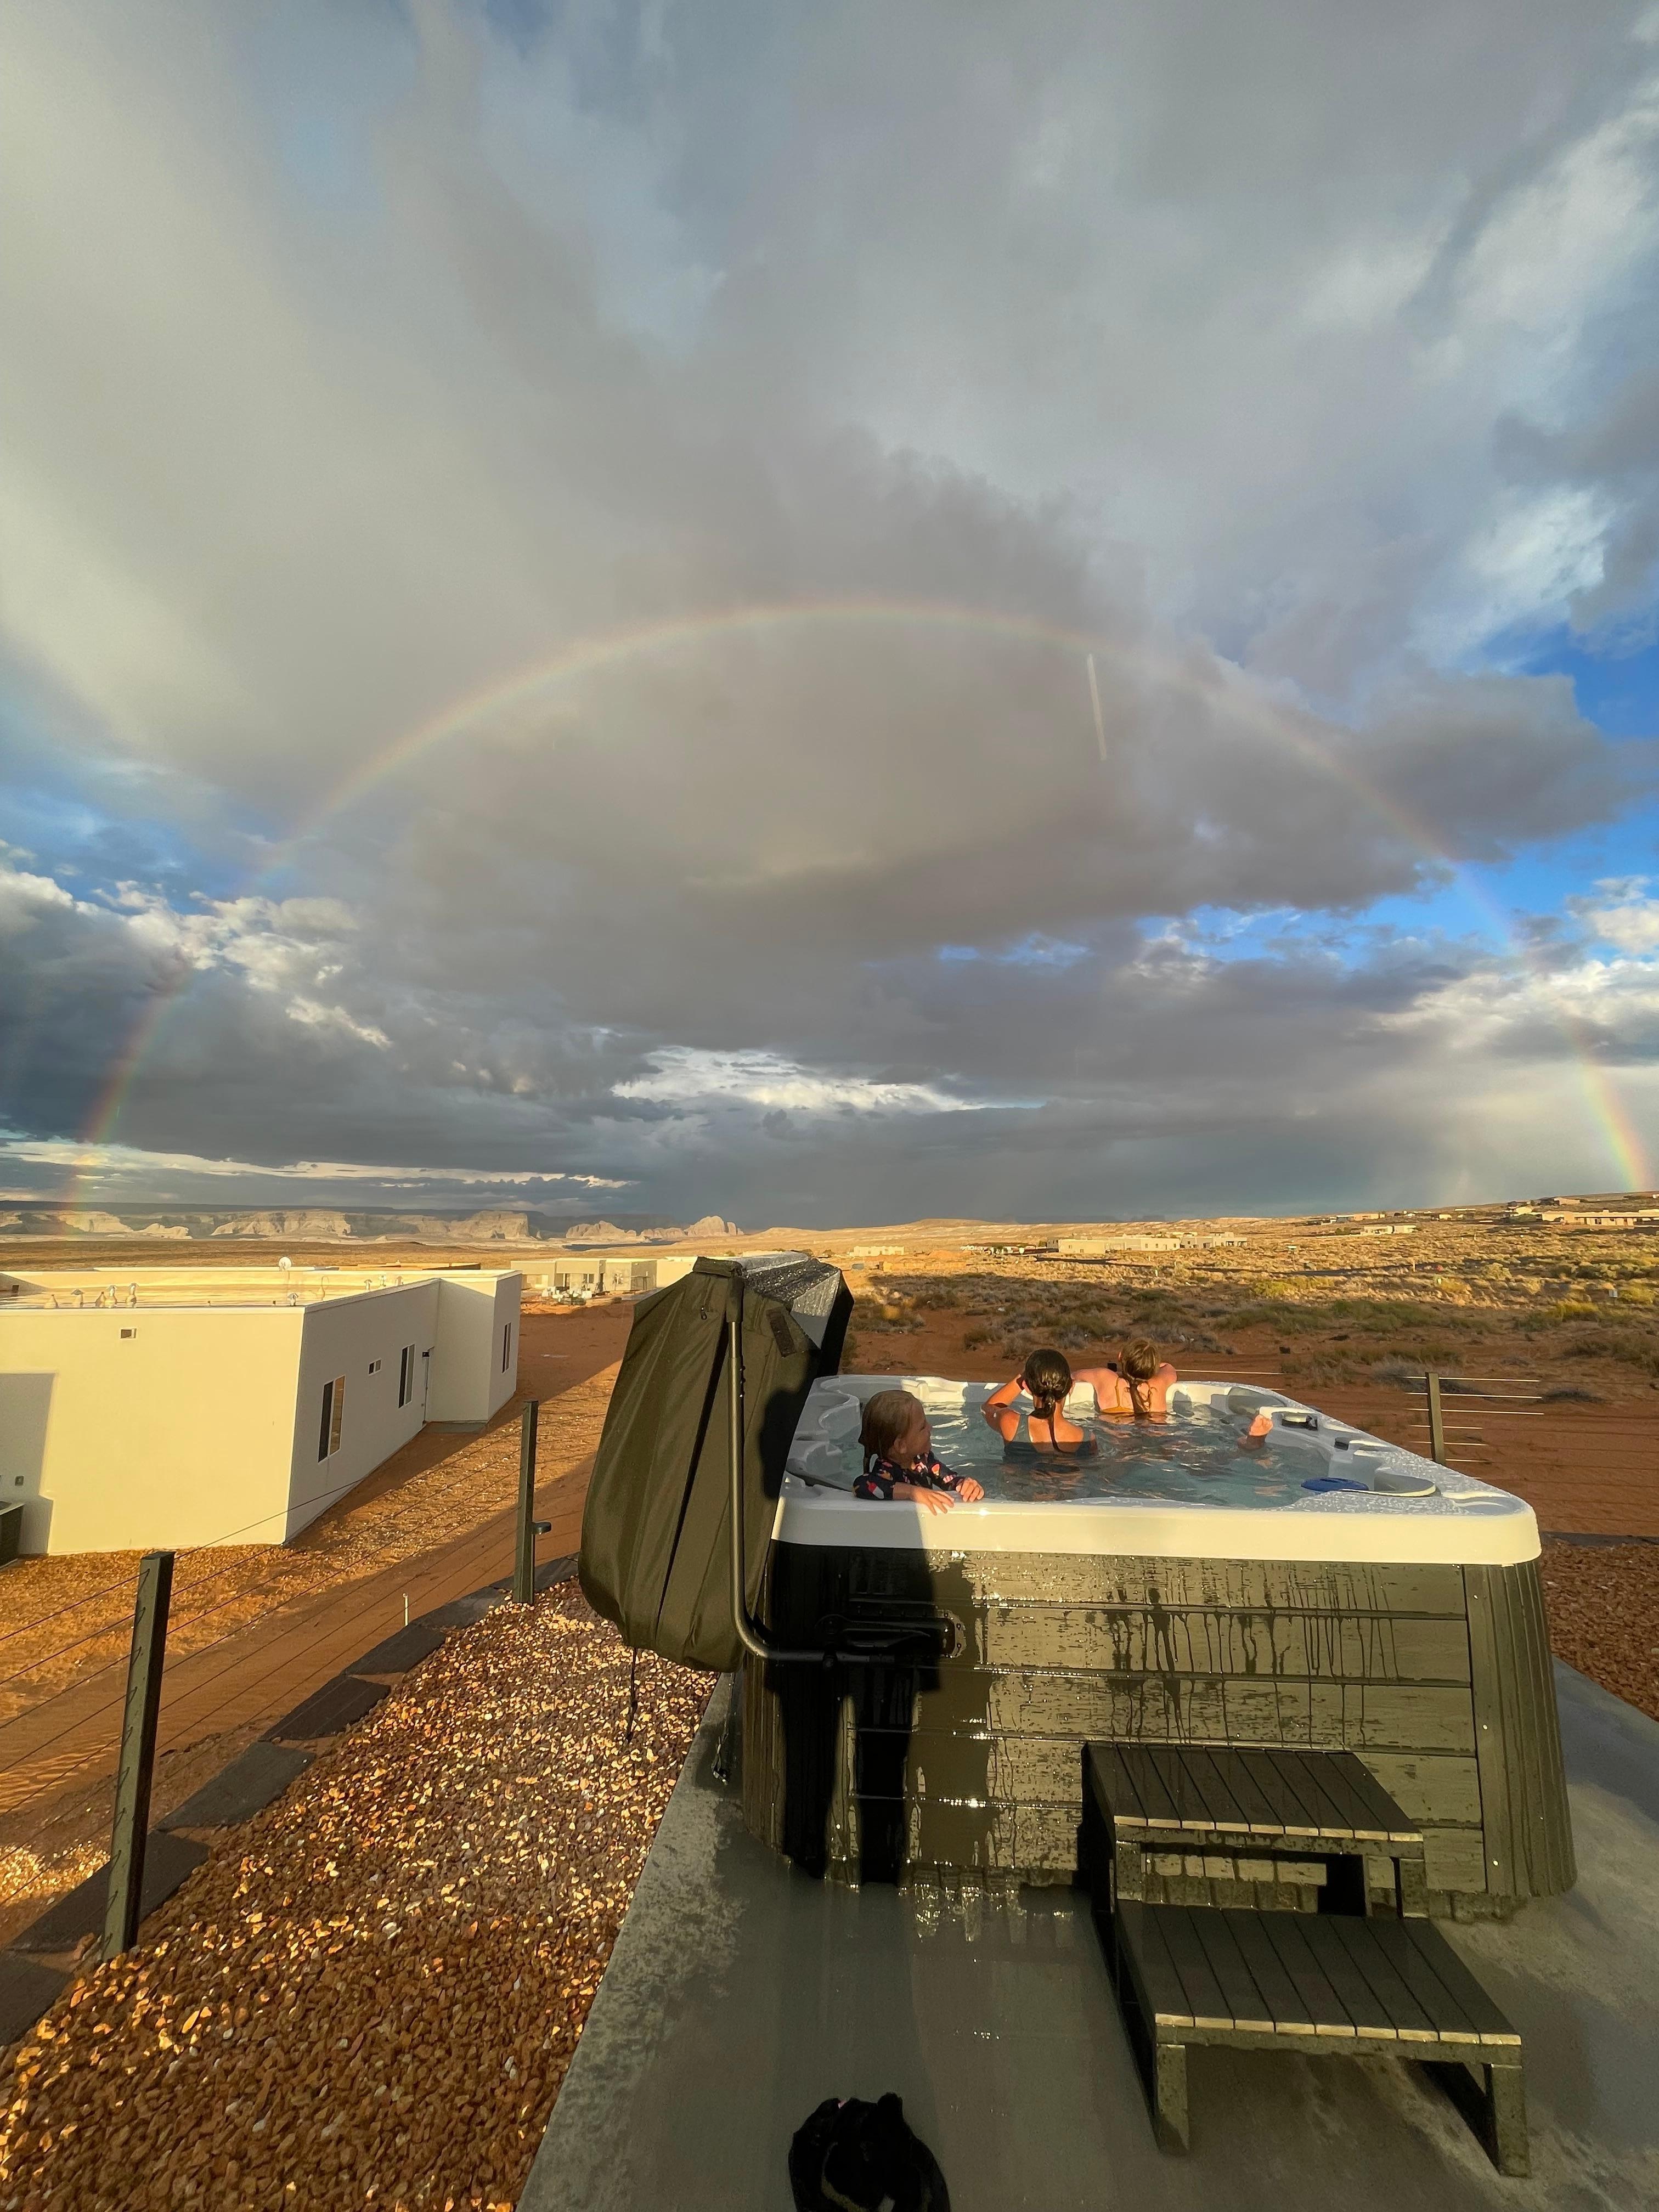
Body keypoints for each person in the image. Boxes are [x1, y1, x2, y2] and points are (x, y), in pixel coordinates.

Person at [855, 1389, 984, 1513]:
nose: (930, 1427)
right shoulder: (885, 1469)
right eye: (923, 1427)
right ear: (901, 1445)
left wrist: (965, 1485)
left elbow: (949, 1480)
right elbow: (861, 1485)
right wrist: (912, 1492)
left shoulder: (923, 1460)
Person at [982, 1347, 1098, 1456]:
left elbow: (988, 1408)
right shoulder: (1088, 1439)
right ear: (1071, 1387)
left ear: (1027, 1387)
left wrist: (1022, 1378)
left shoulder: (1010, 1422)